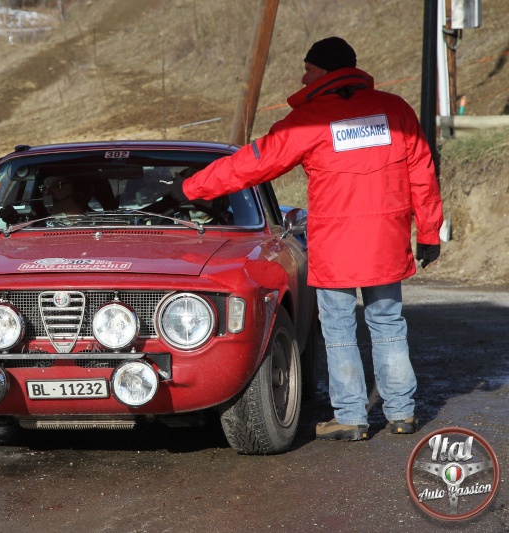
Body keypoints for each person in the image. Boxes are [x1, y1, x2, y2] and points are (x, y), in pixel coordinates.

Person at [168, 37, 443, 441]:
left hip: (336, 245)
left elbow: (254, 163)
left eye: (309, 69)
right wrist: (430, 232)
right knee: (388, 324)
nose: (303, 76)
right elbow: (422, 171)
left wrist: (191, 188)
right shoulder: (395, 110)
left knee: (338, 328)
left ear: (327, 71)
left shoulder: (312, 120)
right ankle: (402, 414)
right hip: (386, 239)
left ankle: (351, 418)